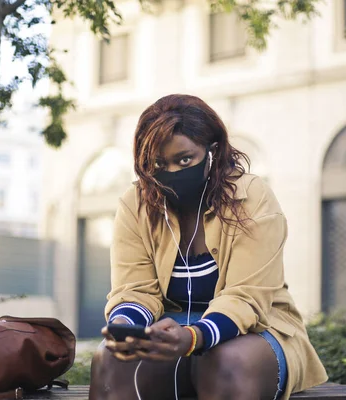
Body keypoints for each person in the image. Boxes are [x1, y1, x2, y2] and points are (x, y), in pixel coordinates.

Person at [90, 94, 327, 400]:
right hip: (169, 326)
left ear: (213, 152)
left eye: (185, 160)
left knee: (227, 363)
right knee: (109, 360)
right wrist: (124, 328)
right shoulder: (135, 204)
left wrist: (193, 336)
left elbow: (246, 297)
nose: (173, 172)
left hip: (255, 329)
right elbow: (134, 289)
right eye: (160, 164)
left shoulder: (253, 197)